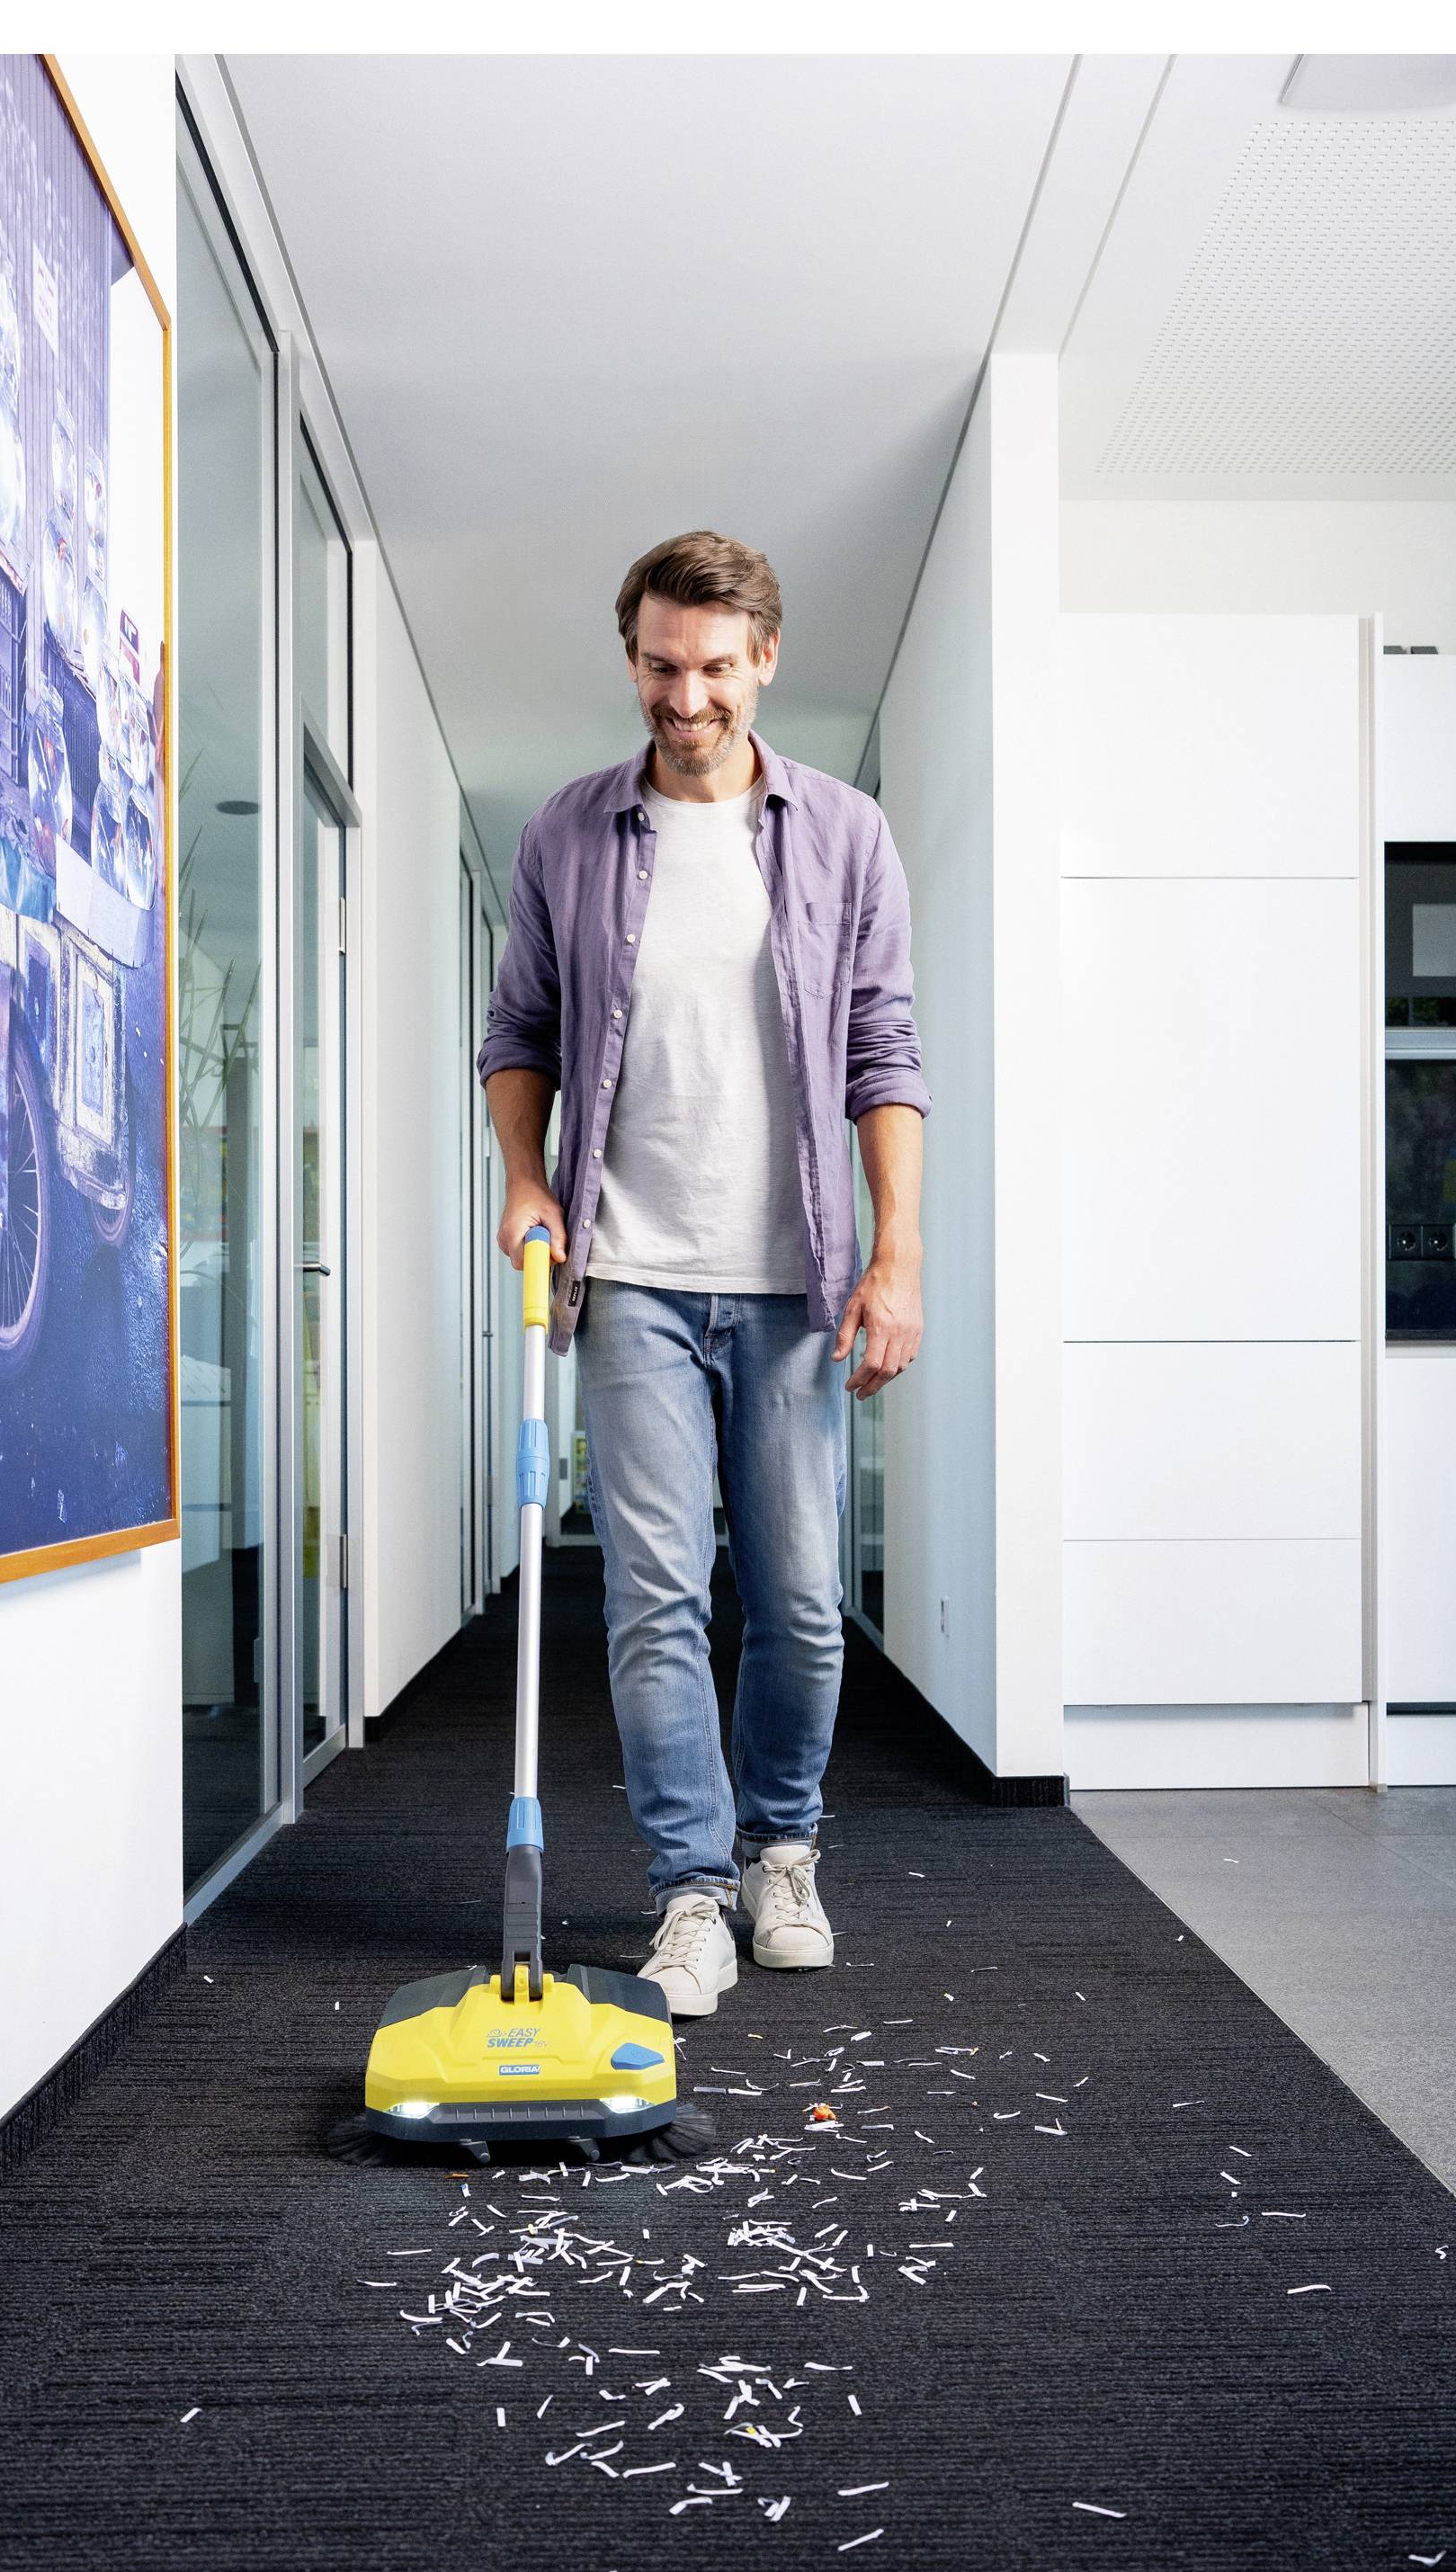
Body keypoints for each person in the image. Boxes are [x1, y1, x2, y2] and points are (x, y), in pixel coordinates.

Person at [478, 530, 930, 2017]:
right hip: (634, 1277)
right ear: (633, 659)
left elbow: (885, 1054)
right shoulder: (566, 832)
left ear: (767, 662)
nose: (687, 699)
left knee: (800, 1601)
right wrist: (527, 1181)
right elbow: (520, 1035)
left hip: (797, 1280)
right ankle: (690, 1892)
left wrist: (896, 1252)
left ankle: (780, 1851)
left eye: (716, 669)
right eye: (663, 667)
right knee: (655, 1596)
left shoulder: (845, 835)